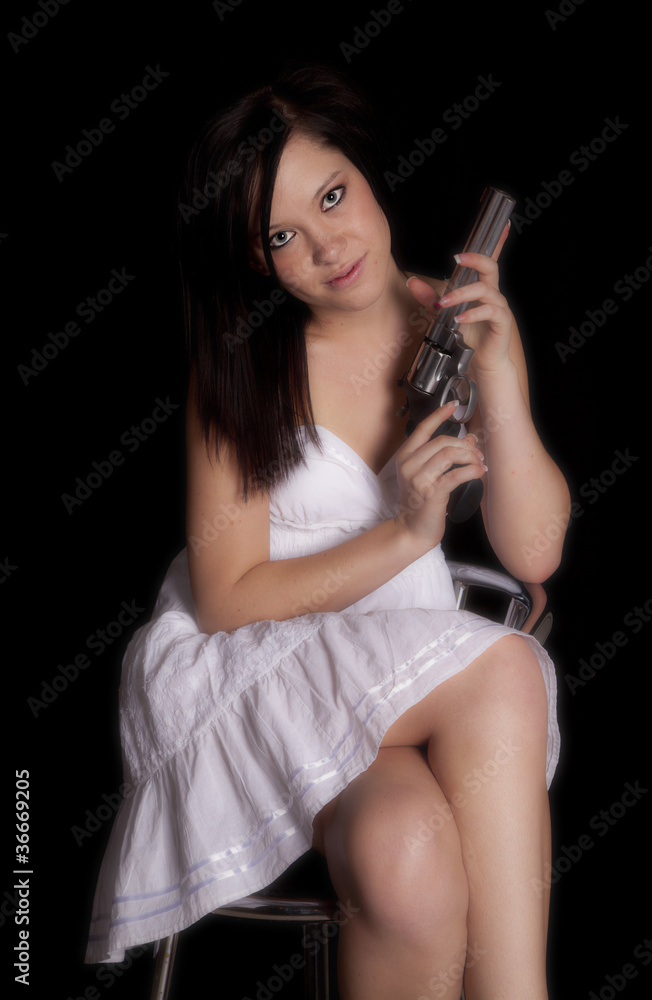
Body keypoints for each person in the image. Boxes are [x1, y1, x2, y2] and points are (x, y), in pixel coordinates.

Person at [85, 64, 570, 1000]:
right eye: (281, 237)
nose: (326, 245)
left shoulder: (451, 333)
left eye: (333, 196)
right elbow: (228, 602)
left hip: (400, 680)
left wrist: (502, 382)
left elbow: (536, 551)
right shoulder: (242, 374)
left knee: (404, 855)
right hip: (254, 670)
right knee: (506, 668)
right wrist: (403, 535)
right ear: (255, 261)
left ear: (368, 173)